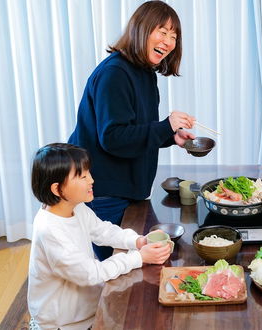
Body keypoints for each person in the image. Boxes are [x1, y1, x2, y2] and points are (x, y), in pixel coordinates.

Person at [68, 1, 195, 261]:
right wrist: (164, 125)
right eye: (162, 31)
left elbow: (135, 130)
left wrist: (171, 136)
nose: (169, 41)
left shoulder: (144, 73)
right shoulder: (115, 73)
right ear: (142, 29)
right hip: (105, 190)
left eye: (174, 36)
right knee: (119, 277)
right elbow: (113, 138)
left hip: (128, 188)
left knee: (135, 268)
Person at [28, 143, 172, 329]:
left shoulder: (75, 206)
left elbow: (102, 231)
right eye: (82, 176)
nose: (92, 180)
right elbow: (91, 273)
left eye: (89, 173)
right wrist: (139, 257)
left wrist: (137, 241)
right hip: (62, 324)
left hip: (85, 311)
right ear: (57, 189)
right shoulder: (50, 231)